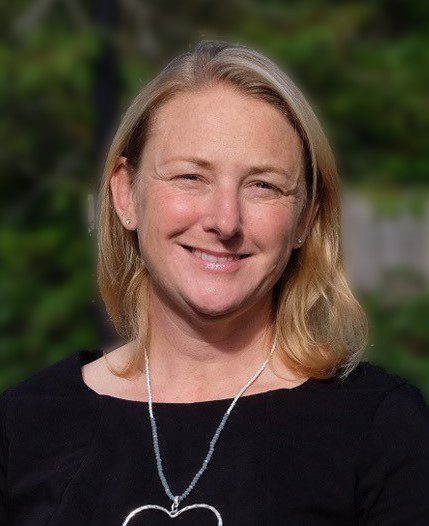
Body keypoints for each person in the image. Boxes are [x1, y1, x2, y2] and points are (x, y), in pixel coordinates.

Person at [1, 40, 428, 526]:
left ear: (305, 217)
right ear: (126, 194)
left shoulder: (382, 428)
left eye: (263, 185)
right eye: (190, 177)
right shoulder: (23, 426)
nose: (226, 221)